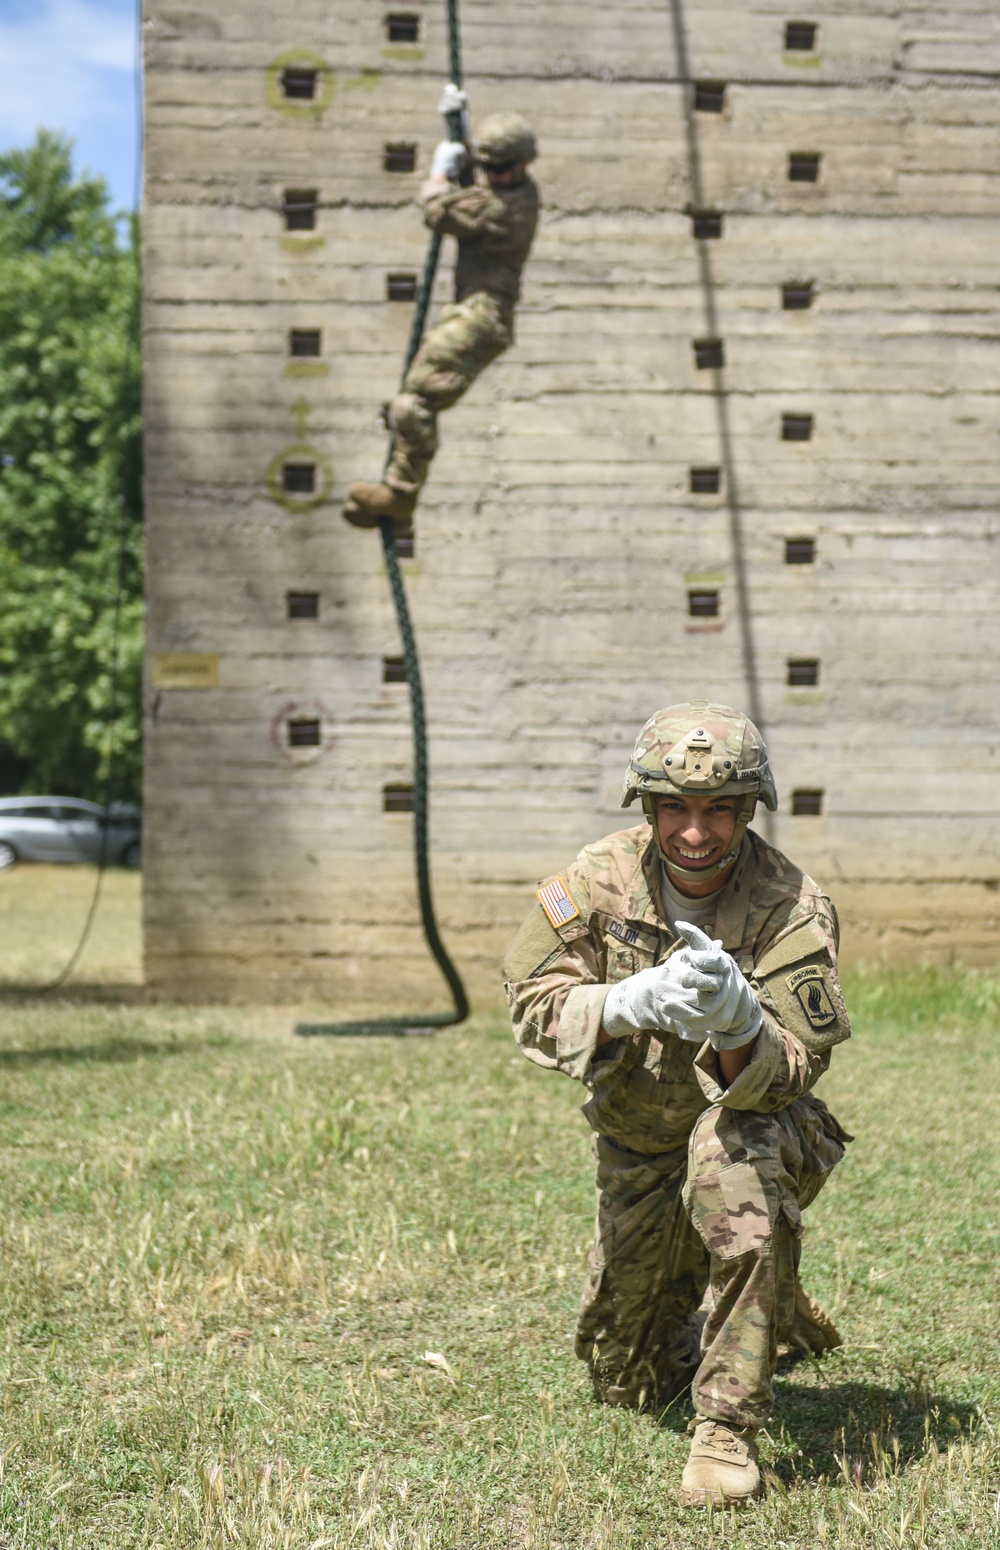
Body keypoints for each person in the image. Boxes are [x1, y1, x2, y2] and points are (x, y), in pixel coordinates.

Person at [503, 702, 853, 1508]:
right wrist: (626, 1001)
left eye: (719, 809)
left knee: (728, 1156)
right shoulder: (594, 881)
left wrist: (740, 1024)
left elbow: (802, 1060)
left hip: (753, 1130)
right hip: (639, 1144)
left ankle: (726, 1430)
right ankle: (772, 1301)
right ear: (647, 805)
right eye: (676, 808)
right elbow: (529, 1002)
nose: (696, 831)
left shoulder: (792, 905)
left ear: (748, 809)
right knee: (627, 1378)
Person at [344, 97, 540, 535]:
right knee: (413, 398)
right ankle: (395, 492)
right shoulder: (510, 191)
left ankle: (400, 495)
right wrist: (463, 139)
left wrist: (437, 173)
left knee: (414, 402)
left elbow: (438, 212)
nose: (495, 176)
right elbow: (474, 192)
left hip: (481, 316)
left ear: (524, 165)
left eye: (503, 168)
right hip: (478, 313)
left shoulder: (499, 208)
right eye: (490, 168)